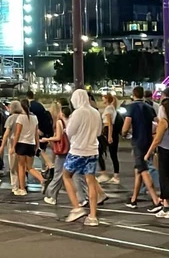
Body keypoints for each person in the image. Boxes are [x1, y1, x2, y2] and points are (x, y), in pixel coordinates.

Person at [63, 89, 106, 226]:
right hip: (92, 150)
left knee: (66, 175)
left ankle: (76, 207)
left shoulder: (77, 113)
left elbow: (69, 132)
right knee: (91, 182)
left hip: (77, 150)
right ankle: (93, 216)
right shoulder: (95, 112)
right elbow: (99, 131)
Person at [122, 86, 163, 212]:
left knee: (143, 170)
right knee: (139, 169)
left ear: (134, 94)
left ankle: (156, 200)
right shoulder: (149, 107)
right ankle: (134, 199)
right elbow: (158, 122)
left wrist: (124, 133)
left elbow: (126, 126)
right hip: (148, 141)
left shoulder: (131, 107)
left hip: (138, 141)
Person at [12, 99, 45, 196]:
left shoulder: (20, 118)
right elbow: (36, 133)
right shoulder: (34, 117)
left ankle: (22, 189)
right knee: (29, 167)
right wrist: (37, 145)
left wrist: (13, 146)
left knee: (21, 166)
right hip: (31, 143)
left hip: (21, 144)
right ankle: (42, 179)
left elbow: (17, 133)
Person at [26, 91, 55, 176]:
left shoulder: (29, 107)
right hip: (43, 130)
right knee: (41, 149)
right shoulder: (40, 105)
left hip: (35, 131)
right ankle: (45, 167)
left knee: (37, 150)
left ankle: (47, 165)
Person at [96, 93, 120, 184]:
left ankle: (105, 174)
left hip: (108, 131)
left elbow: (109, 124)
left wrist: (109, 136)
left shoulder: (109, 108)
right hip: (107, 131)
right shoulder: (112, 107)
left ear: (107, 99)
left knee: (100, 151)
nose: (102, 99)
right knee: (113, 154)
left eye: (103, 97)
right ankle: (115, 175)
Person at [0, 101, 22, 191]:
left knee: (13, 166)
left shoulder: (11, 118)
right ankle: (22, 183)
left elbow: (7, 133)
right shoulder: (23, 117)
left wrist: (2, 145)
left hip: (12, 142)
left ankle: (15, 185)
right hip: (23, 142)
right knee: (21, 165)